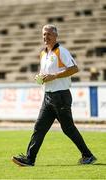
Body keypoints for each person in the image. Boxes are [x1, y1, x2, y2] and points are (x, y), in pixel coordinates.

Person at [12, 24, 97, 166]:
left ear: (56, 36)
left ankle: (88, 155)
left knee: (68, 129)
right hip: (48, 97)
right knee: (39, 127)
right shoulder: (43, 53)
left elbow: (74, 68)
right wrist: (40, 77)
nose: (46, 37)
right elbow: (46, 74)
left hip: (61, 97)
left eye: (49, 34)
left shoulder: (61, 51)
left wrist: (55, 76)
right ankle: (30, 159)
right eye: (44, 34)